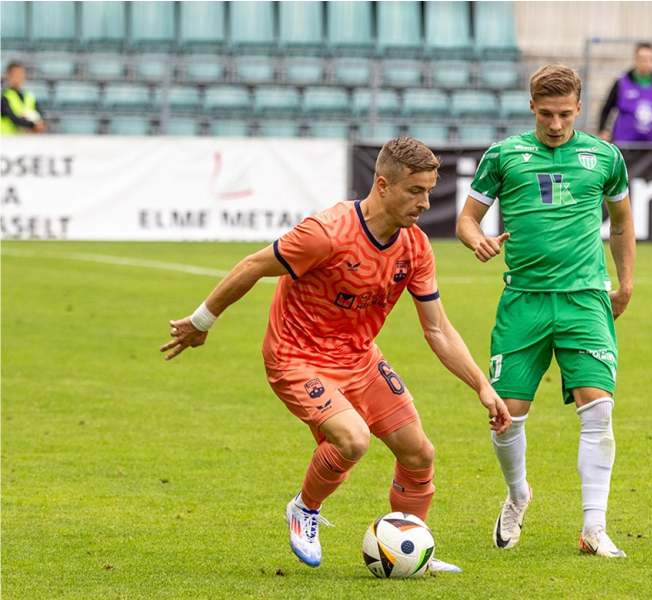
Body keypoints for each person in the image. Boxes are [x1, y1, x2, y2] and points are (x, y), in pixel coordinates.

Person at [161, 137, 511, 572]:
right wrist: (200, 322)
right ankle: (304, 509)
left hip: (359, 359)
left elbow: (437, 328)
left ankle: (411, 547)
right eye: (415, 191)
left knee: (419, 454)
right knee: (352, 438)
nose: (425, 202)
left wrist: (481, 385)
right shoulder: (326, 234)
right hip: (297, 357)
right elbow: (253, 265)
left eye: (429, 191)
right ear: (382, 185)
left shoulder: (415, 247)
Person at [456, 66, 636, 558]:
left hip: (584, 299)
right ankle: (518, 496)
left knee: (598, 409)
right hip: (524, 301)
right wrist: (479, 241)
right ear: (532, 107)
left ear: (579, 109)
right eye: (546, 114)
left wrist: (625, 285)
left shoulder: (604, 157)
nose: (556, 124)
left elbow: (621, 224)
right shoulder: (503, 156)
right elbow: (467, 220)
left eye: (564, 114)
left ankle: (594, 528)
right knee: (505, 417)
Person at [1, 62, 47, 136]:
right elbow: (12, 118)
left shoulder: (29, 97)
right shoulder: (3, 97)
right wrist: (32, 125)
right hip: (7, 140)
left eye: (21, 74)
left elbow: (40, 114)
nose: (18, 78)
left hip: (25, 141)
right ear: (8, 76)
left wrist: (40, 124)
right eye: (15, 75)